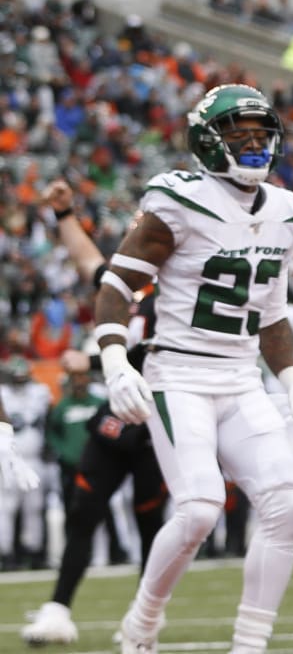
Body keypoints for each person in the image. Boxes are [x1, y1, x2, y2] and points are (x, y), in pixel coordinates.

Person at [93, 83, 293, 654]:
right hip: (180, 375)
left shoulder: (288, 213)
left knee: (287, 501)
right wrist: (116, 361)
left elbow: (271, 313)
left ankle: (250, 645)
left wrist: (292, 380)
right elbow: (117, 286)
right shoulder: (178, 198)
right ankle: (142, 623)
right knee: (198, 507)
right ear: (207, 141)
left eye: (261, 133)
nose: (253, 145)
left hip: (242, 378)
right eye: (238, 134)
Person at [21, 180, 169, 646]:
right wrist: (65, 216)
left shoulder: (184, 292)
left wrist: (92, 361)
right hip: (114, 421)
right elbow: (90, 262)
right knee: (83, 512)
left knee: (152, 527)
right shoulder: (129, 285)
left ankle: (144, 625)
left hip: (158, 424)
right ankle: (58, 609)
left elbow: (165, 349)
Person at [0, 357, 52, 570]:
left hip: (34, 458)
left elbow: (49, 417)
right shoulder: (3, 393)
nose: (20, 382)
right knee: (6, 508)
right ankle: (5, 554)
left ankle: (34, 552)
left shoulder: (39, 392)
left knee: (35, 507)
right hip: (7, 459)